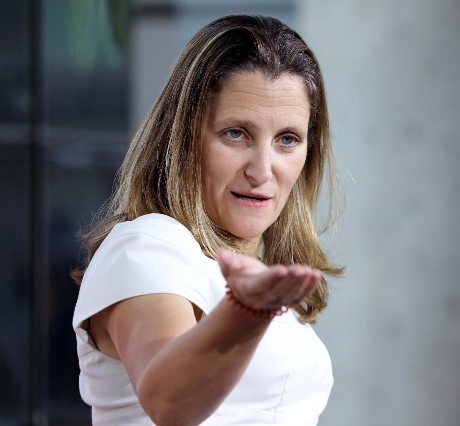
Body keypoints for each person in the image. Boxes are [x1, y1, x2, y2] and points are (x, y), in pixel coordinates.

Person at [71, 14, 343, 425]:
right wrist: (246, 312)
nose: (262, 169)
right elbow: (170, 403)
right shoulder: (146, 245)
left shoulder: (258, 283)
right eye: (236, 133)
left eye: (287, 139)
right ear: (184, 139)